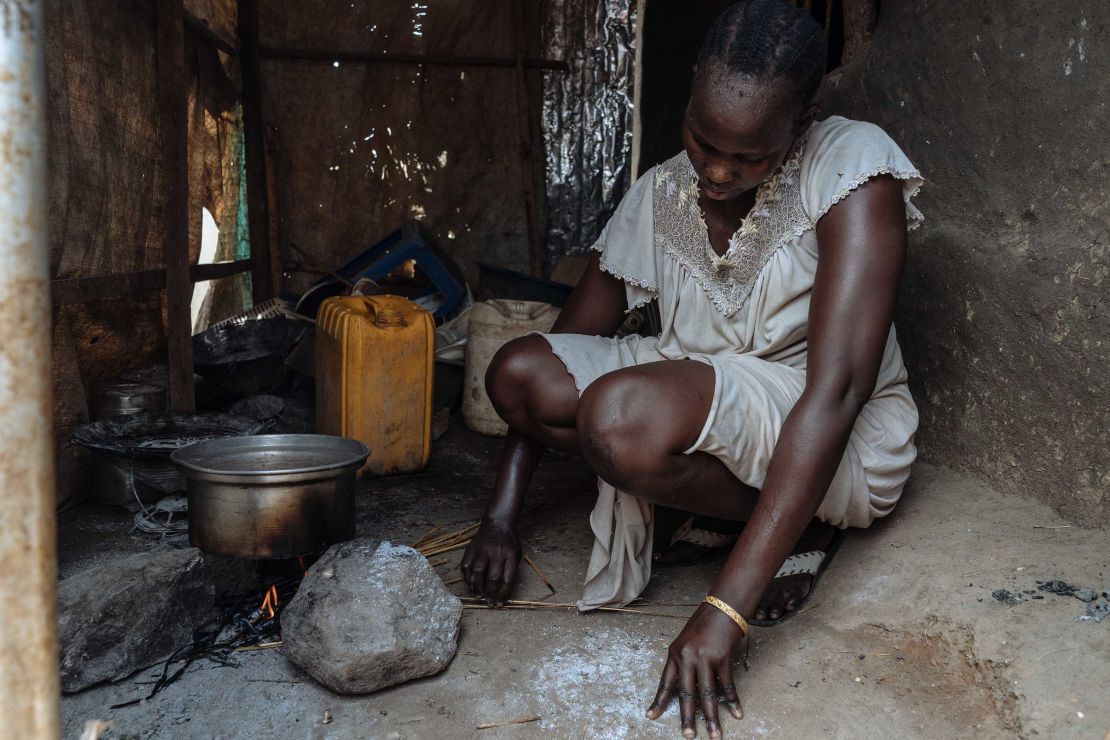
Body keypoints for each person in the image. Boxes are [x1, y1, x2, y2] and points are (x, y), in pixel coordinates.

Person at [462, 0, 923, 735]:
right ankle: (731, 508)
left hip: (833, 424)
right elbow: (567, 341)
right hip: (705, 387)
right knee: (519, 373)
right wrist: (501, 518)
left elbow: (838, 391)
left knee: (618, 421)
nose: (715, 171)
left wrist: (725, 610)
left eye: (748, 159)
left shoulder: (849, 170)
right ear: (688, 97)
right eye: (703, 141)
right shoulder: (662, 194)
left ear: (797, 129)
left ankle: (800, 531)